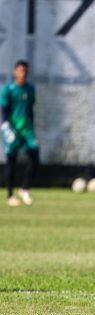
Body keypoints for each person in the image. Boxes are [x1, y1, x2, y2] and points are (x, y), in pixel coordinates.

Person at [1, 60, 38, 207]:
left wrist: (32, 127)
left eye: (25, 71)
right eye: (20, 70)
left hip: (27, 129)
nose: (23, 73)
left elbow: (30, 109)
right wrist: (5, 126)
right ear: (15, 72)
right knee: (12, 161)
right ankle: (10, 196)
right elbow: (4, 110)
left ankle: (24, 188)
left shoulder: (30, 89)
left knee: (35, 158)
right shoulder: (8, 89)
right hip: (12, 129)